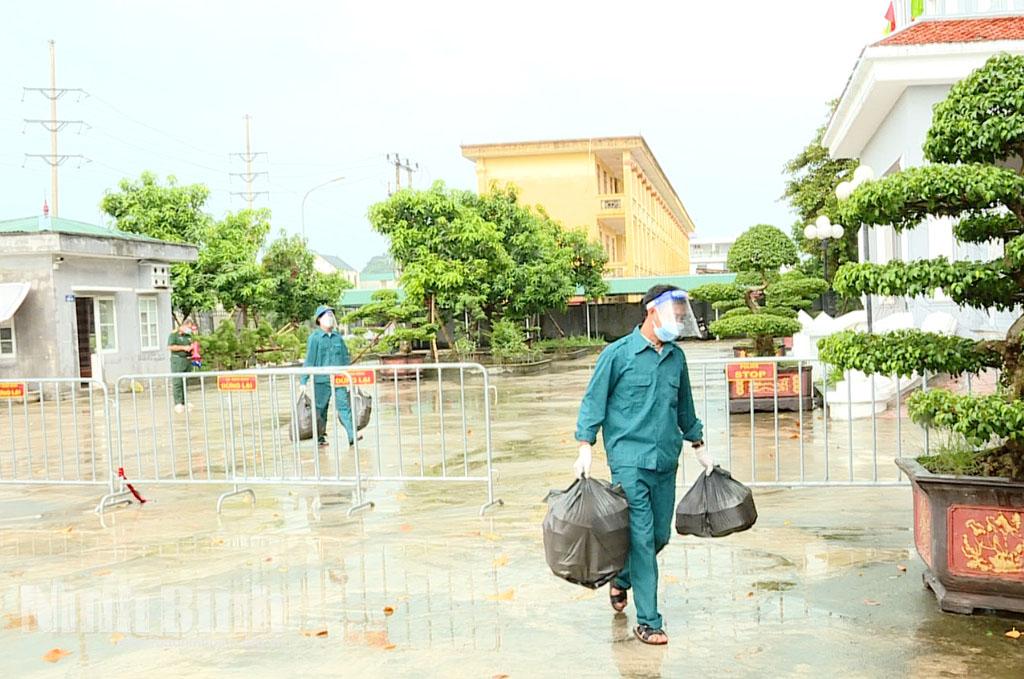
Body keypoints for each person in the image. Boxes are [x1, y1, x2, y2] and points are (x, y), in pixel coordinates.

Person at [573, 284, 712, 646]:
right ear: (652, 311)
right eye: (675, 313)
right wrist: (585, 446)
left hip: (665, 459)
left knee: (659, 537)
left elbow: (685, 407)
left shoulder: (676, 358)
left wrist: (698, 444)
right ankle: (649, 622)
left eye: (684, 316)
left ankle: (621, 579)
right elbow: (593, 401)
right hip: (629, 461)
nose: (680, 320)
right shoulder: (618, 355)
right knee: (642, 538)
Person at [300, 305, 357, 448]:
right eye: (327, 315)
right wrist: (303, 381)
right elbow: (309, 360)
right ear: (319, 319)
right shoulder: (315, 338)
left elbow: (345, 357)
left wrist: (351, 377)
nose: (330, 318)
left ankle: (352, 436)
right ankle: (320, 437)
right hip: (321, 380)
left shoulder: (338, 337)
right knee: (321, 410)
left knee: (344, 407)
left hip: (339, 379)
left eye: (332, 315)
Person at [168, 320, 197, 414]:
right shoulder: (174, 335)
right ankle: (178, 403)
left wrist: (193, 348)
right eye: (188, 327)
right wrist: (183, 348)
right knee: (178, 382)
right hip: (177, 360)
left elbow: (191, 345)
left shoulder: (188, 336)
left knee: (185, 381)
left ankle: (185, 401)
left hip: (187, 360)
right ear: (183, 326)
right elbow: (170, 347)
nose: (189, 330)